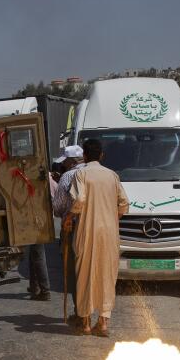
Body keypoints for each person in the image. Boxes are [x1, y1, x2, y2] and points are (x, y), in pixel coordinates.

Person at [67, 138, 129, 336]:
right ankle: (103, 323)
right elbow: (124, 204)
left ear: (84, 155)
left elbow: (79, 200)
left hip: (87, 230)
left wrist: (69, 217)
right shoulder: (112, 176)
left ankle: (85, 323)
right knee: (107, 276)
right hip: (109, 234)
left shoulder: (81, 174)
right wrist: (111, 217)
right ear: (101, 155)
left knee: (84, 275)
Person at [51, 145, 85, 320]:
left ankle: (80, 314)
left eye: (65, 162)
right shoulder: (98, 174)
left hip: (72, 229)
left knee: (74, 273)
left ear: (71, 162)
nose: (63, 165)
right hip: (97, 229)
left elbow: (57, 208)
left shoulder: (67, 176)